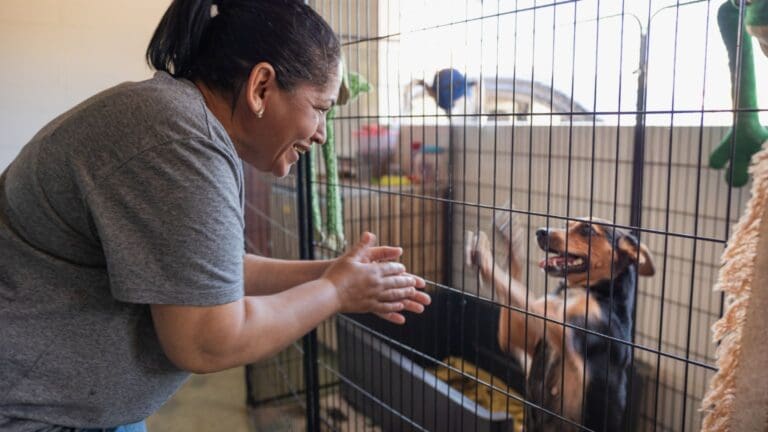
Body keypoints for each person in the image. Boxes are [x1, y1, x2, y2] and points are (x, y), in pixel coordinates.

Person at [0, 0, 430, 430]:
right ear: (261, 87)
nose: (321, 133)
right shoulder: (181, 142)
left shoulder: (182, 123)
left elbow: (208, 273)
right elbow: (207, 341)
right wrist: (335, 292)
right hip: (33, 414)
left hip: (74, 404)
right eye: (319, 108)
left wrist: (331, 273)